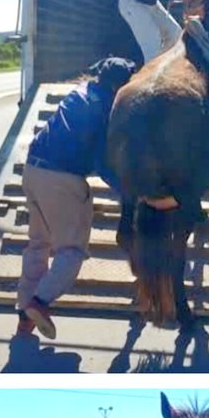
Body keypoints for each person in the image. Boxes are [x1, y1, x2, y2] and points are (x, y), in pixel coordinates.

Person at [15, 56, 137, 340]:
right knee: (71, 250)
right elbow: (103, 161)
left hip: (32, 170)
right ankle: (39, 303)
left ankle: (24, 314)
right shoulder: (108, 108)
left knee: (38, 244)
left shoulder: (79, 92)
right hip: (62, 179)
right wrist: (128, 192)